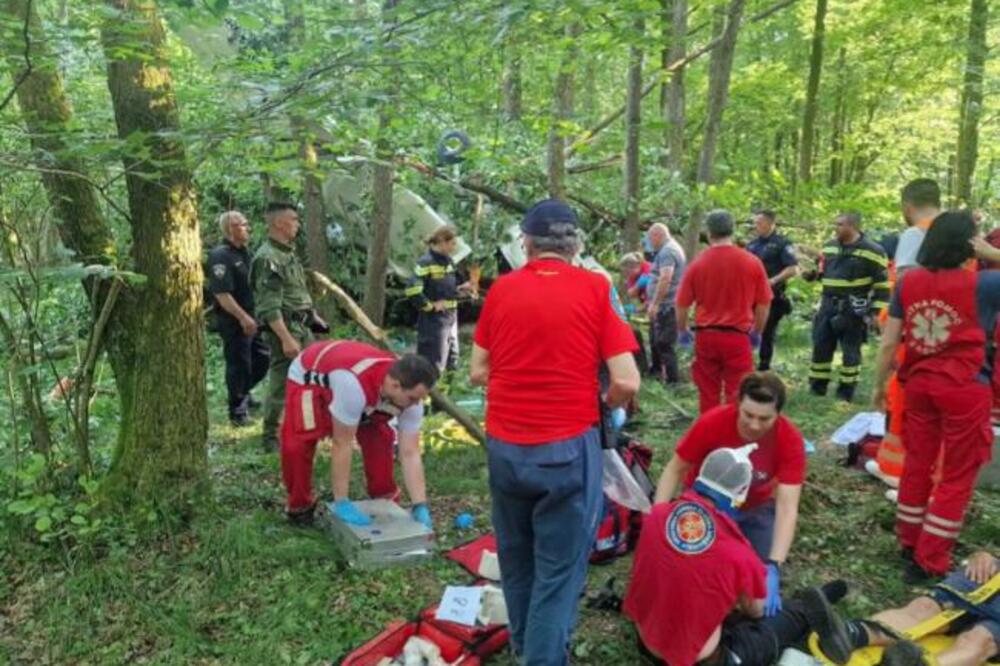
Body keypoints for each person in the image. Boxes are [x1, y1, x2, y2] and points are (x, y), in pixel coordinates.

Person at [470, 199, 640, 666]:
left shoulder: (501, 291)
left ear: (525, 243)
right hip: (567, 446)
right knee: (559, 572)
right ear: (576, 245)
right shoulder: (595, 287)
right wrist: (598, 404)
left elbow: (476, 372)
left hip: (506, 445)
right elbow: (627, 381)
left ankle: (527, 645)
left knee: (517, 556)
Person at [625, 444, 852, 666]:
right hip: (702, 659)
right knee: (780, 621)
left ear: (701, 475)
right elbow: (755, 611)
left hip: (646, 643)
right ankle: (812, 603)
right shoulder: (739, 553)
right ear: (740, 494)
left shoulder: (657, 515)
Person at [872, 211, 1000, 582]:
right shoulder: (985, 284)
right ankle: (930, 559)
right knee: (958, 475)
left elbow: (888, 343)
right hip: (964, 386)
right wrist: (992, 254)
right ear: (969, 243)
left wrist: (879, 387)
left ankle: (909, 541)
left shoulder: (908, 283)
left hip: (919, 385)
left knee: (917, 464)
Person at [654, 373, 806, 583]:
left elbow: (788, 507)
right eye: (748, 415)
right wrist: (659, 515)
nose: (754, 425)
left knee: (757, 577)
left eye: (764, 419)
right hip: (706, 504)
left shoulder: (789, 439)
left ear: (778, 414)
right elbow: (675, 469)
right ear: (738, 405)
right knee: (689, 570)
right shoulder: (713, 422)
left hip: (756, 508)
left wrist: (774, 563)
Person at [280, 340, 438, 527]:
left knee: (380, 438)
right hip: (310, 376)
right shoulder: (353, 386)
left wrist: (420, 504)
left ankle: (384, 499)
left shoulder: (409, 398)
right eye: (412, 398)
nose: (415, 404)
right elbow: (342, 444)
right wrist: (342, 501)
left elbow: (410, 452)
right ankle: (300, 506)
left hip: (363, 386)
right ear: (395, 386)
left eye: (419, 399)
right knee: (297, 444)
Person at [822, 550, 999, 666]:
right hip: (990, 578)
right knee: (924, 608)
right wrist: (983, 556)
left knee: (978, 639)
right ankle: (847, 634)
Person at [676, 210, 772, 413]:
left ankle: (710, 433)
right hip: (738, 337)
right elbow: (764, 303)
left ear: (709, 233)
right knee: (737, 392)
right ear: (733, 231)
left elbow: (682, 304)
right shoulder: (752, 262)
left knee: (708, 391)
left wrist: (683, 330)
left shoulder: (697, 264)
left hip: (706, 336)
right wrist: (757, 332)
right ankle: (733, 435)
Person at [251, 202, 326, 451]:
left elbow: (296, 291)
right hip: (286, 329)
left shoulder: (287, 253)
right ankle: (271, 438)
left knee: (309, 381)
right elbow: (269, 305)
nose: (298, 224)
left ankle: (304, 428)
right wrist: (285, 338)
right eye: (294, 219)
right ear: (279, 223)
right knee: (282, 382)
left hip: (302, 327)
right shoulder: (268, 258)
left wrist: (312, 315)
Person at [808, 212, 889, 402]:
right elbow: (823, 273)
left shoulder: (873, 251)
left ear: (852, 226)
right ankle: (817, 388)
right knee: (820, 346)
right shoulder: (829, 248)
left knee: (850, 352)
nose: (835, 228)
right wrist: (811, 275)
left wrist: (875, 313)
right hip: (827, 305)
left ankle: (845, 392)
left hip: (854, 308)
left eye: (839, 224)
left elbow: (883, 287)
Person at [206, 211, 270, 427]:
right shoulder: (220, 256)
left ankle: (243, 392)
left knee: (262, 359)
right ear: (232, 228)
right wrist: (243, 318)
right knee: (239, 364)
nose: (248, 228)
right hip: (234, 320)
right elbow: (222, 294)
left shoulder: (245, 253)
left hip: (253, 317)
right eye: (243, 225)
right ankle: (238, 412)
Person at [404, 225, 470, 373]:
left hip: (451, 317)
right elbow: (412, 289)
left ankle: (447, 391)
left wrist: (461, 289)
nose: (455, 247)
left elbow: (450, 286)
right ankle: (429, 394)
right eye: (452, 243)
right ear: (442, 242)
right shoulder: (425, 262)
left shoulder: (448, 261)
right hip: (433, 321)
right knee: (433, 362)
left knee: (452, 359)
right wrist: (430, 306)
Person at [746, 209, 799, 371]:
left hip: (772, 297)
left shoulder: (783, 244)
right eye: (755, 223)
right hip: (750, 296)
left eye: (759, 223)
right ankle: (745, 364)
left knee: (767, 333)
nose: (756, 226)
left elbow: (793, 269)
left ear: (770, 224)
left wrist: (773, 280)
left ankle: (763, 368)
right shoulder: (752, 244)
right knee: (745, 330)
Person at [645, 224, 687, 384]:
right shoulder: (668, 249)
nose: (650, 242)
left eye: (650, 239)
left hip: (667, 305)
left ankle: (673, 382)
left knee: (665, 344)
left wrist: (655, 303)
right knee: (657, 341)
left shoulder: (668, 251)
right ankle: (657, 373)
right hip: (666, 305)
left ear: (657, 235)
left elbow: (665, 278)